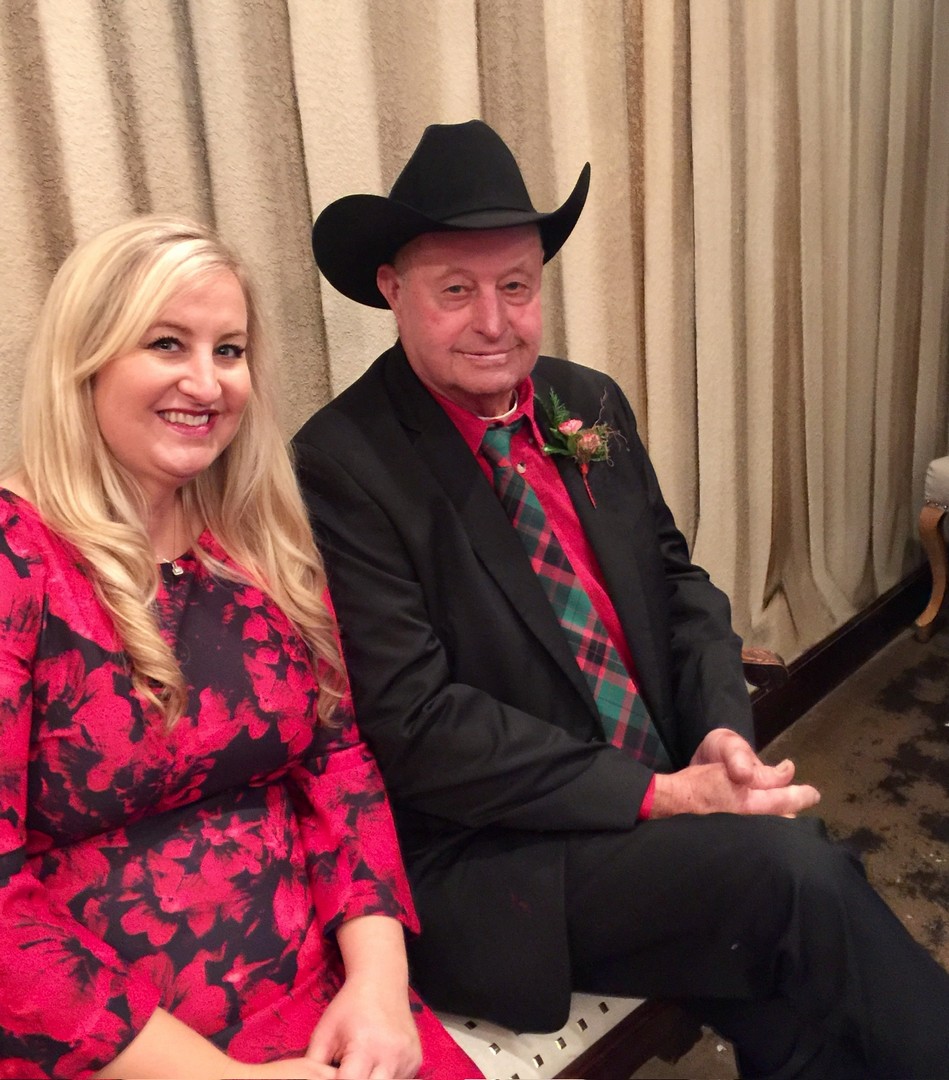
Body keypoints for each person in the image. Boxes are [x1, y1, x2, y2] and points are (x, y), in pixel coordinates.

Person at [293, 120, 949, 1079]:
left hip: (656, 794)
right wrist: (659, 797)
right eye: (456, 290)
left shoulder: (584, 400)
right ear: (393, 290)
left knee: (788, 988)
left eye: (516, 286)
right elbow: (417, 724)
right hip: (501, 856)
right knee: (794, 874)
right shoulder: (344, 462)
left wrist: (720, 734)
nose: (493, 322)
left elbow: (679, 586)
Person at [0, 216, 480, 1080]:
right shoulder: (16, 559)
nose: (207, 382)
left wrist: (378, 984)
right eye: (166, 344)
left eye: (229, 350)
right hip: (103, 1048)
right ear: (86, 359)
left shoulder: (257, 540)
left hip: (317, 1003)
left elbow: (339, 765)